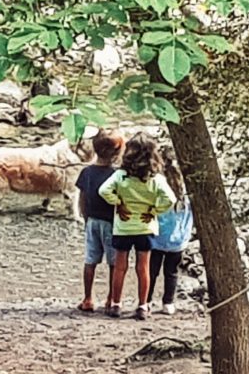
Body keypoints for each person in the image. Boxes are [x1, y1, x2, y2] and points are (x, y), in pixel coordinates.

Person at [98, 134, 174, 320]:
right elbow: (171, 199)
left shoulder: (121, 176)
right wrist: (154, 210)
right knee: (143, 268)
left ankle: (116, 304)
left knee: (120, 267)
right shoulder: (156, 179)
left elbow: (103, 190)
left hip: (123, 227)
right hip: (145, 227)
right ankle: (142, 306)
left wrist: (118, 202)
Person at [75, 130, 125, 313]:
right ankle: (111, 298)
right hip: (112, 223)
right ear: (116, 153)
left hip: (92, 222)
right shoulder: (117, 174)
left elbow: (82, 197)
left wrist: (85, 216)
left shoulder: (86, 172)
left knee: (90, 260)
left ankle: (88, 298)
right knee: (114, 263)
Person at [147, 146, 193, 315]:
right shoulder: (187, 188)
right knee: (172, 272)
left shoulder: (157, 183)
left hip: (156, 237)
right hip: (178, 240)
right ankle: (168, 303)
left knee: (151, 271)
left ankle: (146, 300)